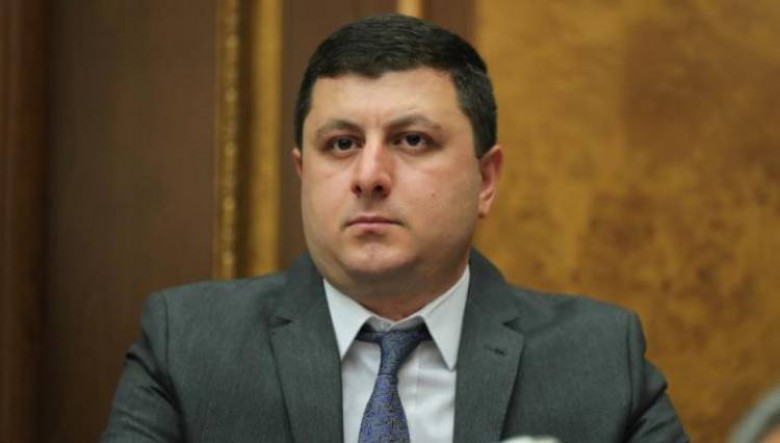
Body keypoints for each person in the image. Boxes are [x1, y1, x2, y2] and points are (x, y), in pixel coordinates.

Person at [102, 14, 688, 442]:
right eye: (341, 144)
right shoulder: (189, 346)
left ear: (485, 180)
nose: (369, 176)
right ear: (303, 174)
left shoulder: (599, 359)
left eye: (412, 140)